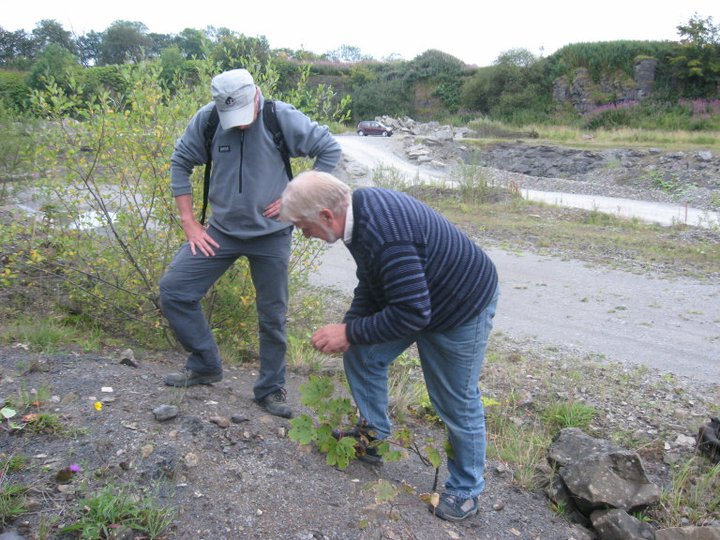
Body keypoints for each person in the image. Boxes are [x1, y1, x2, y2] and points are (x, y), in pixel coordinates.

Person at [279, 170, 499, 521]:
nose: (305, 235)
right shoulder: (355, 216)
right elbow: (372, 281)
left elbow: (412, 312)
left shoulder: (384, 232)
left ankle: (466, 489)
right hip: (419, 298)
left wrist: (349, 332)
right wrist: (351, 328)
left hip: (461, 304)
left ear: (326, 215)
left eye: (304, 227)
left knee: (455, 400)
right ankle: (374, 438)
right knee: (362, 353)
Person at [159, 69, 341, 419]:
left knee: (272, 316)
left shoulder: (279, 116)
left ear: (256, 95)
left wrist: (296, 196)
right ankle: (205, 364)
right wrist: (190, 223)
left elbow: (328, 149)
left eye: (243, 116)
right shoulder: (209, 119)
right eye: (233, 119)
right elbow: (180, 162)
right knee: (175, 290)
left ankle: (270, 390)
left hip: (271, 235)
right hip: (220, 231)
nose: (239, 125)